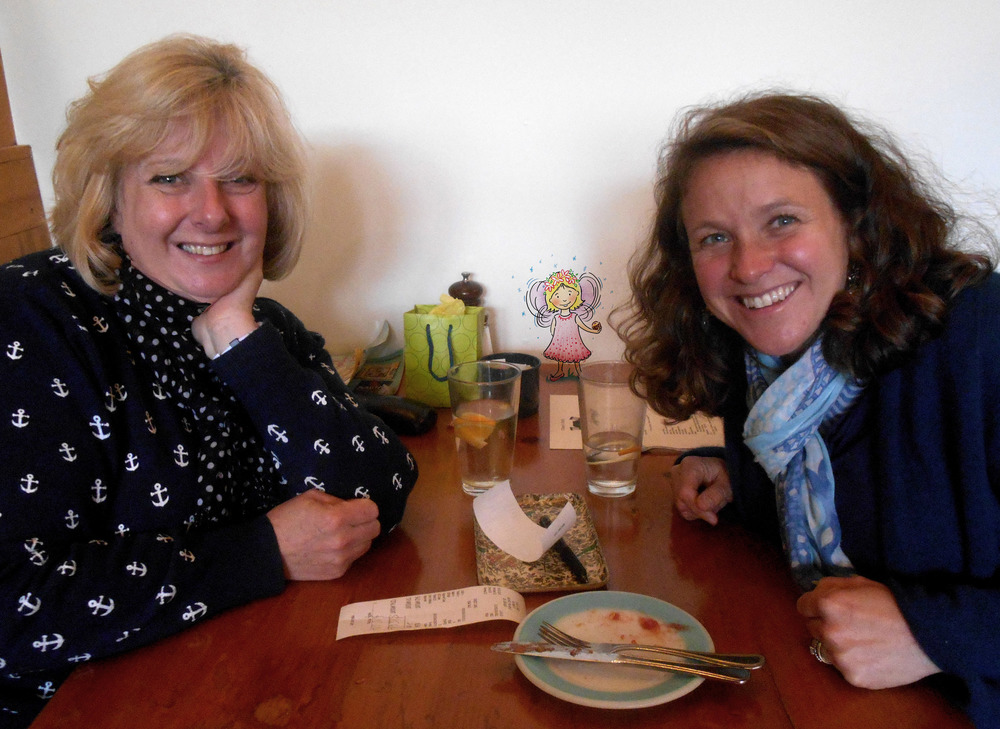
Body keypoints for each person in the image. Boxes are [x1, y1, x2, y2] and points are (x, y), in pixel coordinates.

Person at [0, 35, 417, 727]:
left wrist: (238, 340)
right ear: (109, 195)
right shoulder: (30, 321)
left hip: (252, 679)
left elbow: (383, 490)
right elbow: (16, 604)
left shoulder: (262, 326)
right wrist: (261, 552)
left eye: (241, 178)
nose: (214, 211)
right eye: (170, 178)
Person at [619, 92, 1000, 727]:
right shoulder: (763, 373)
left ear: (856, 223)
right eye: (716, 238)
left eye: (783, 221)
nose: (748, 266)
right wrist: (732, 474)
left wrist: (930, 632)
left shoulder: (983, 337)